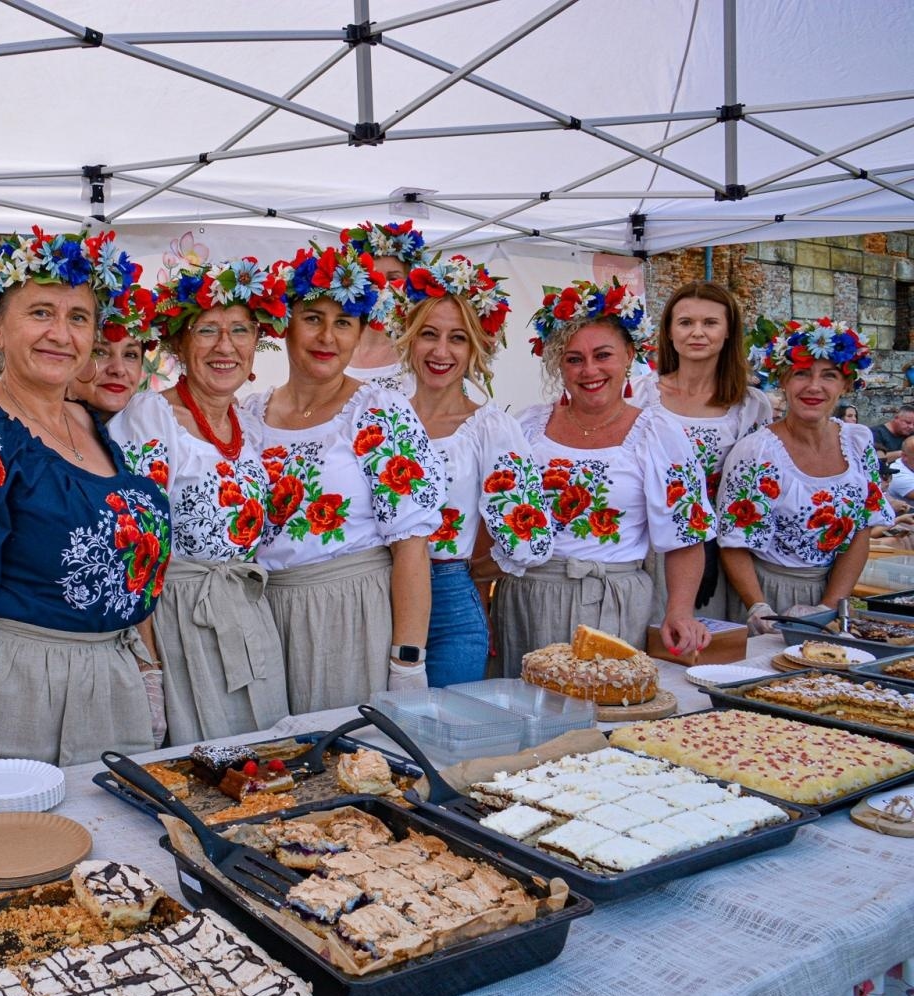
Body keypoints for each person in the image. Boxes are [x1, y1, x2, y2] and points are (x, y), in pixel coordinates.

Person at [0, 229, 170, 774]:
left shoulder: (88, 420)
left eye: (78, 318)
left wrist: (148, 675)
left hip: (113, 680)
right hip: (23, 689)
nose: (60, 333)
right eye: (40, 312)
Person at [238, 238, 446, 712]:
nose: (327, 338)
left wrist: (408, 663)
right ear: (286, 325)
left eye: (343, 323)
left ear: (359, 334)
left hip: (350, 610)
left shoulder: (377, 411)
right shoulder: (250, 412)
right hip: (265, 612)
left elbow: (411, 545)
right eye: (313, 319)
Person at [108, 257, 291, 743]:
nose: (225, 346)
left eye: (240, 330)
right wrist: (149, 667)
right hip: (179, 622)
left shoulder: (250, 423)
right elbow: (134, 551)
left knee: (265, 763)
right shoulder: (151, 416)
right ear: (179, 344)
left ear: (258, 342)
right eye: (208, 330)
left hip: (247, 611)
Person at [493, 279, 713, 675]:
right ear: (558, 364)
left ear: (629, 355)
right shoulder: (525, 428)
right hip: (528, 597)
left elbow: (685, 536)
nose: (589, 370)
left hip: (613, 601)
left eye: (603, 355)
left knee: (602, 716)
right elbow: (493, 514)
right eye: (574, 359)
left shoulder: (658, 434)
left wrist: (679, 612)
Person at [379, 255, 553, 687]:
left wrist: (470, 571)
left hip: (449, 609)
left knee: (437, 738)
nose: (441, 351)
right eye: (429, 335)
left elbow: (529, 538)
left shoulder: (490, 429)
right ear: (408, 338)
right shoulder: (377, 414)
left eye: (457, 338)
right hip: (371, 595)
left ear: (476, 347)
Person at [720, 318, 890, 628]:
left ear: (846, 384)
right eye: (800, 374)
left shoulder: (857, 441)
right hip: (765, 591)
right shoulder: (757, 452)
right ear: (783, 381)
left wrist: (827, 607)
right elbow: (734, 543)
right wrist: (759, 607)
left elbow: (862, 529)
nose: (814, 387)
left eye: (829, 375)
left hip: (832, 591)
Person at [628, 281, 772, 618]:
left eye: (710, 323)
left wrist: (710, 547)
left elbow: (748, 492)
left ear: (727, 332)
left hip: (716, 551)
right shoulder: (639, 394)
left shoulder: (750, 406)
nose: (697, 333)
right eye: (686, 322)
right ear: (669, 331)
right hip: (648, 546)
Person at [338, 220, 427, 390]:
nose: (382, 287)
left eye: (393, 278)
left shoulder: (419, 355)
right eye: (372, 278)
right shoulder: (336, 348)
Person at [70, 282, 158, 421]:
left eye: (130, 355)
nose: (118, 369)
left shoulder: (160, 431)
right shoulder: (30, 435)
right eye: (100, 352)